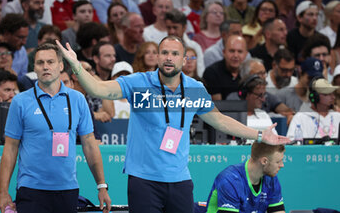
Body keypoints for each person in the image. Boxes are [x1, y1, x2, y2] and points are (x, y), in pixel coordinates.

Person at [57, 35, 289, 213]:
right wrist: (76, 66)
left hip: (180, 181)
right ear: (157, 57)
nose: (169, 57)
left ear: (184, 59)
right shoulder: (139, 83)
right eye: (164, 52)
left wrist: (259, 136)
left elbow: (219, 119)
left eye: (175, 53)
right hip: (144, 181)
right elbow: (99, 89)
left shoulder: (195, 88)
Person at [0, 42, 111, 213]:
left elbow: (89, 144)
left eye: (50, 62)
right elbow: (10, 148)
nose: (45, 67)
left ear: (60, 66)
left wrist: (102, 186)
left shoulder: (78, 99)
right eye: (40, 63)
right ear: (34, 68)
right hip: (31, 189)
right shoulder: (20, 101)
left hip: (67, 189)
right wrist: (3, 192)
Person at [205, 142, 285, 213]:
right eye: (278, 162)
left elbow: (278, 211)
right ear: (264, 161)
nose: (282, 165)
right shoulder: (230, 180)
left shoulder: (271, 179)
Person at [203, 35, 247, 100]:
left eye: (240, 52)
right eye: (232, 51)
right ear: (224, 52)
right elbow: (218, 105)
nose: (235, 55)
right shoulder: (212, 72)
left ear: (246, 54)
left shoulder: (249, 72)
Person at [165, 8, 204, 77]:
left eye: (175, 28)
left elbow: (200, 72)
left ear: (184, 27)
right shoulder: (160, 46)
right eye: (169, 28)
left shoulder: (195, 47)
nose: (171, 31)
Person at [0, 13, 29, 78]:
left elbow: (23, 81)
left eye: (25, 37)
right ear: (6, 34)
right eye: (20, 37)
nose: (24, 43)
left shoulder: (22, 52)